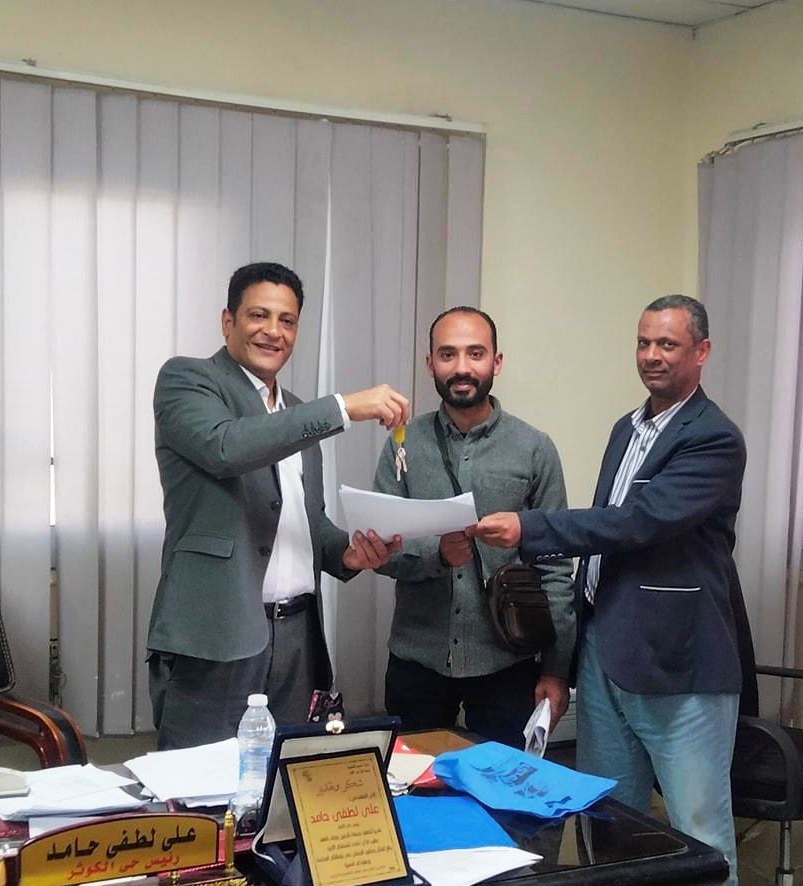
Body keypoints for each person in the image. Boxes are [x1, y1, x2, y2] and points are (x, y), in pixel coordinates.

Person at [471, 295, 754, 885]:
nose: (652, 356)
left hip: (679, 664)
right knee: (611, 824)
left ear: (702, 351)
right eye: (644, 342)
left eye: (668, 344)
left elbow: (637, 523)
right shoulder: (627, 429)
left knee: (699, 832)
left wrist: (531, 529)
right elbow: (607, 538)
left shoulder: (714, 438)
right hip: (605, 653)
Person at [147, 261, 411, 750]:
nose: (273, 331)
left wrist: (348, 552)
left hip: (298, 638)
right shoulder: (188, 379)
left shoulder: (296, 410)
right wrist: (342, 407)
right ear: (228, 321)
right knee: (200, 784)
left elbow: (305, 522)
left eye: (287, 321)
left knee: (286, 783)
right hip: (217, 634)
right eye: (259, 315)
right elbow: (225, 448)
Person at [373, 307, 574, 748]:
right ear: (430, 363)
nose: (462, 367)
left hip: (508, 664)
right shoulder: (403, 444)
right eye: (448, 354)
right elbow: (380, 552)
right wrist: (437, 555)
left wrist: (556, 670)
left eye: (475, 353)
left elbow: (556, 568)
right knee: (413, 782)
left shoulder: (535, 449)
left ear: (496, 362)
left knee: (501, 786)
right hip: (417, 662)